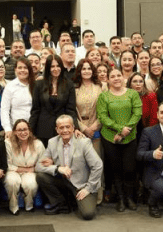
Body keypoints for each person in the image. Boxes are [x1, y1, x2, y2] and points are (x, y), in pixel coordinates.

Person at [35, 115, 104, 219]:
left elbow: (98, 166)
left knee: (88, 214)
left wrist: (88, 188)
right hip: (64, 180)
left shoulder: (83, 142)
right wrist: (57, 168)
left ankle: (75, 200)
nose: (65, 130)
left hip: (82, 184)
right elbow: (38, 166)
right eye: (61, 127)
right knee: (41, 176)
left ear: (73, 128)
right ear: (57, 130)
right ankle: (62, 204)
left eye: (67, 127)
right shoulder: (52, 142)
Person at [97, 68, 143, 212]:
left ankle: (129, 198)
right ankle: (121, 199)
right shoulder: (104, 96)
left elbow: (137, 113)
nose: (116, 78)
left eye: (118, 75)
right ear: (108, 80)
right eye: (112, 76)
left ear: (123, 77)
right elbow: (102, 116)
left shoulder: (132, 94)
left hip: (130, 136)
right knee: (115, 169)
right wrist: (119, 129)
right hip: (110, 137)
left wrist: (124, 132)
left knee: (129, 169)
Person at [30, 55, 76, 145]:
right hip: (42, 129)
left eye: (58, 66)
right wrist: (31, 130)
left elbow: (71, 109)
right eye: (52, 66)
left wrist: (76, 128)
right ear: (48, 68)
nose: (55, 69)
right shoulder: (39, 84)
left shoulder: (69, 84)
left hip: (62, 129)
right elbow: (35, 110)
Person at [4, 118, 45, 215]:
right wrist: (25, 169)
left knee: (31, 184)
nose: (23, 132)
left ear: (29, 131)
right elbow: (7, 164)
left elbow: (43, 162)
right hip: (13, 170)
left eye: (25, 129)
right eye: (19, 130)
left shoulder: (38, 144)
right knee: (11, 182)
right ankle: (13, 206)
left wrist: (34, 169)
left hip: (31, 171)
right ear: (14, 132)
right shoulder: (8, 143)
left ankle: (29, 205)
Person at [1, 57, 34, 134]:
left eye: (25, 68)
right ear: (15, 70)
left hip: (33, 128)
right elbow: (4, 109)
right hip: (16, 128)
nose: (22, 70)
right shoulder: (10, 86)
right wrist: (7, 128)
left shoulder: (35, 85)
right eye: (20, 68)